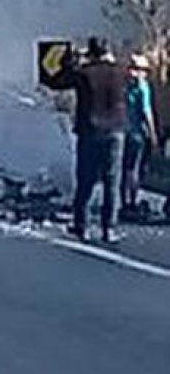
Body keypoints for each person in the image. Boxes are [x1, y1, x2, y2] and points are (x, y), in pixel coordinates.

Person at [51, 36, 128, 243]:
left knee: (85, 181)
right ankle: (109, 228)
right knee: (112, 182)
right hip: (116, 131)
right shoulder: (121, 71)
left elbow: (57, 82)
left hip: (90, 131)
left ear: (91, 52)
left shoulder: (84, 74)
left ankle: (81, 225)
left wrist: (71, 61)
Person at [122, 53, 158, 218]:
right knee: (134, 169)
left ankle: (124, 201)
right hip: (137, 132)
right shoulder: (142, 87)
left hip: (122, 131)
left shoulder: (123, 85)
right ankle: (133, 201)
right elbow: (146, 111)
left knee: (124, 168)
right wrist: (153, 133)